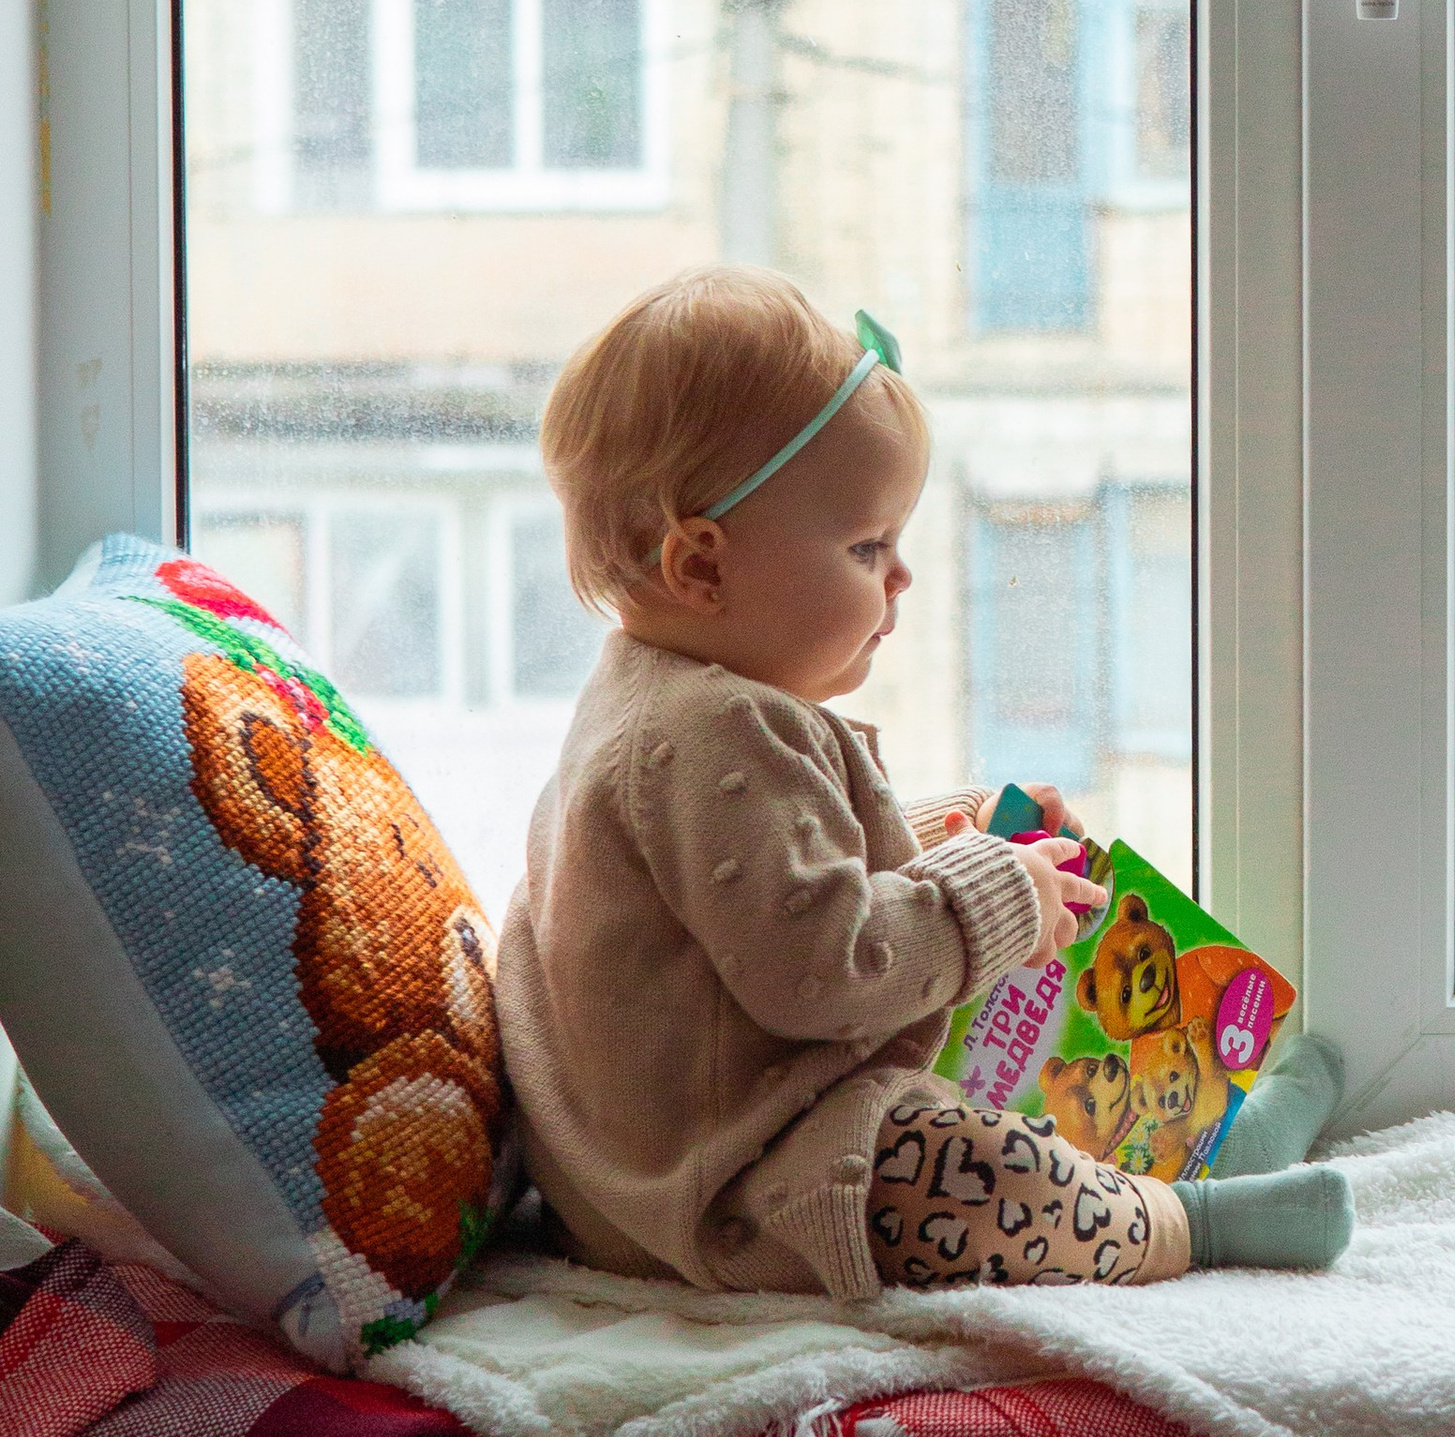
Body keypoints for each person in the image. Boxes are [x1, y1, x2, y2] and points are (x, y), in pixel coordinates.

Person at [496, 267, 1351, 1298]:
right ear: (702, 567)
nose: (899, 578)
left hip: (685, 1165)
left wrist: (961, 834)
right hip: (723, 1195)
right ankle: (1185, 1220)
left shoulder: (658, 701)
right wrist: (986, 896)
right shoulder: (716, 727)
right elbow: (821, 967)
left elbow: (767, 885)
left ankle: (1184, 1149)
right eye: (867, 546)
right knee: (943, 1162)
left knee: (974, 1089)